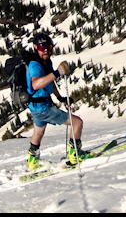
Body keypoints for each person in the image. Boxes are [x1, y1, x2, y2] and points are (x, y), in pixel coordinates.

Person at [25, 32, 86, 169]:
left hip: (36, 107)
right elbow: (36, 84)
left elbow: (50, 83)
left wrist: (59, 98)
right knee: (77, 123)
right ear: (35, 47)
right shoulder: (35, 65)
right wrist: (57, 73)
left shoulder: (44, 62)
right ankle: (75, 155)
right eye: (42, 47)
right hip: (43, 108)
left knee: (38, 132)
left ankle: (32, 161)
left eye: (48, 46)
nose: (46, 50)